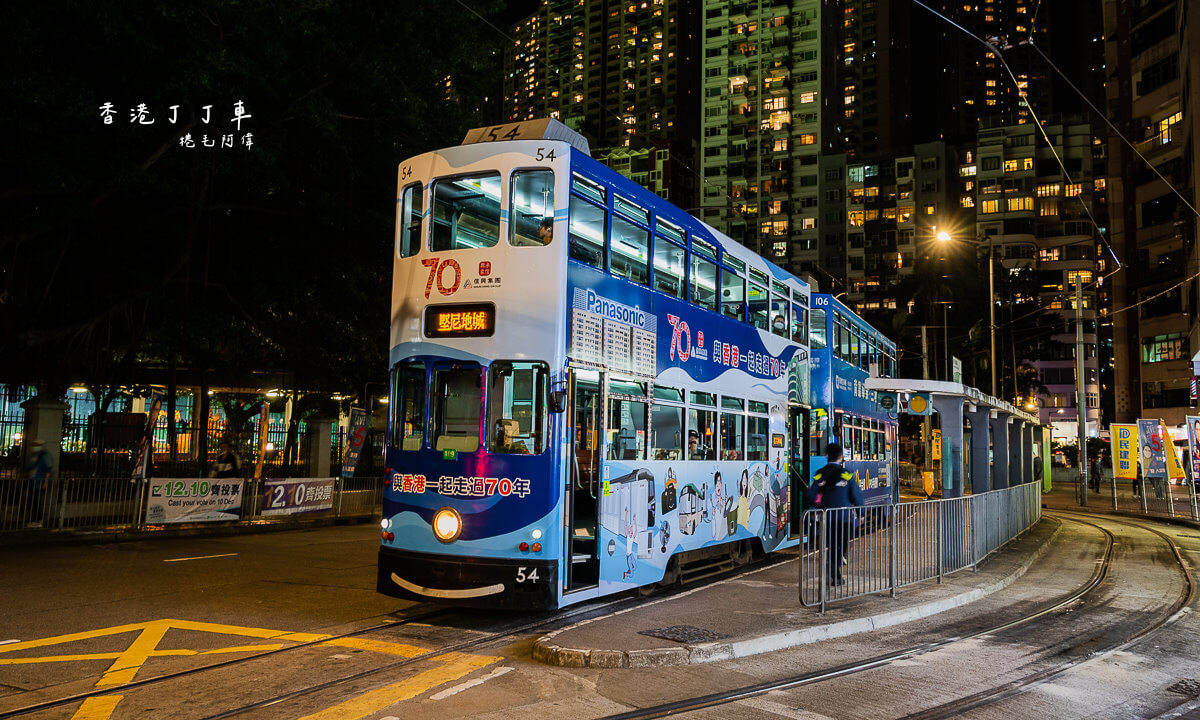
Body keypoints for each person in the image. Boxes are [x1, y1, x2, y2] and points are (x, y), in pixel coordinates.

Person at [805, 443, 863, 586]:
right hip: (844, 518)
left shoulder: (820, 474)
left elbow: (810, 495)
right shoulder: (847, 474)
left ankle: (835, 574)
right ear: (841, 457)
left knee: (831, 545)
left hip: (827, 518)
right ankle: (837, 562)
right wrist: (860, 513)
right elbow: (856, 496)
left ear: (827, 456)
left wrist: (819, 505)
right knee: (842, 543)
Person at [23, 439, 52, 528]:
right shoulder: (33, 455)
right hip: (32, 483)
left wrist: (45, 483)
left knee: (36, 502)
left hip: (39, 483)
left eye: (36, 445)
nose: (34, 447)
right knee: (32, 502)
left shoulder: (45, 456)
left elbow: (48, 471)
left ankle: (38, 521)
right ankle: (34, 520)